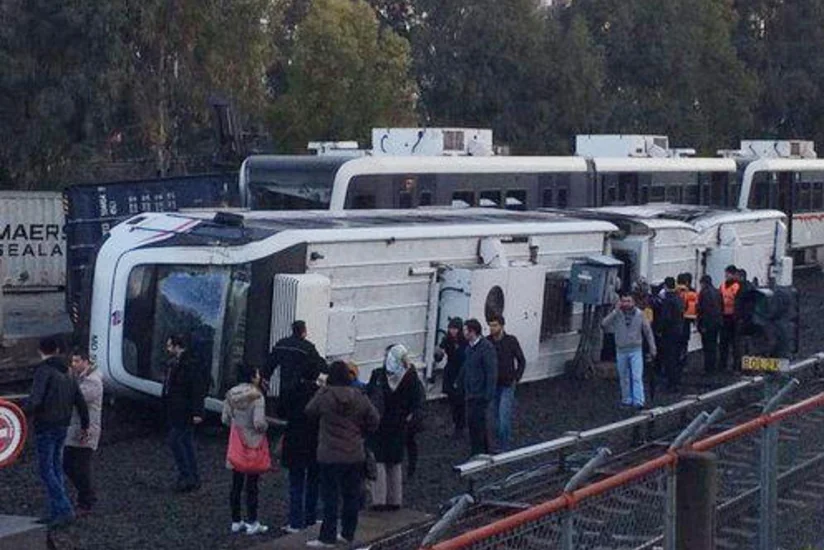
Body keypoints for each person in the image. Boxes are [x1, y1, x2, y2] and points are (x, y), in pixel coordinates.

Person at [305, 361, 380, 548]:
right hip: (354, 453)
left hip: (329, 454)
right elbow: (374, 419)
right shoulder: (359, 396)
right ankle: (348, 534)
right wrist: (362, 432)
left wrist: (321, 390)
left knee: (330, 497)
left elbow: (310, 411)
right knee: (351, 496)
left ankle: (327, 537)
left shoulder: (325, 395)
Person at [24, 336, 89, 527]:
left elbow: (35, 400)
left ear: (41, 351)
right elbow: (80, 401)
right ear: (58, 350)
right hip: (63, 425)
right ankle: (56, 512)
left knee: (46, 471)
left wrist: (18, 413)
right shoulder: (69, 372)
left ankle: (64, 508)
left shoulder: (44, 371)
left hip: (45, 426)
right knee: (56, 467)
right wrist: (85, 425)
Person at [367, 345, 425, 510]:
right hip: (395, 424)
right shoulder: (411, 377)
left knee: (381, 462)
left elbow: (370, 394)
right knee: (393, 462)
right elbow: (418, 402)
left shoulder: (378, 375)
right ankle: (393, 500)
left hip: (385, 424)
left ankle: (380, 501)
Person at [222, 364, 270, 535]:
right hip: (253, 443)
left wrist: (237, 425)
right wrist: (266, 427)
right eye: (256, 374)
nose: (258, 376)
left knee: (236, 483)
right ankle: (253, 521)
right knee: (252, 485)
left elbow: (225, 419)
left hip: (236, 442)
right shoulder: (257, 396)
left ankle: (236, 520)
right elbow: (258, 423)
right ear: (251, 377)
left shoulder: (231, 394)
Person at [277, 359, 320, 534]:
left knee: (296, 483)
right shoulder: (320, 393)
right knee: (313, 483)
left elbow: (281, 412)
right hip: (316, 441)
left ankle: (295, 522)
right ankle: (311, 518)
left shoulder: (291, 390)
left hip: (295, 439)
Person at [162, 333, 208, 493]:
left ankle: (187, 475)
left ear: (177, 346)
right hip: (181, 409)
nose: (167, 349)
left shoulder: (188, 365)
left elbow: (196, 389)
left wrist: (197, 411)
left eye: (169, 346)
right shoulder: (184, 363)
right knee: (186, 442)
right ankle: (191, 477)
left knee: (176, 441)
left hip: (183, 410)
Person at [63, 348, 103, 516]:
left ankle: (86, 500)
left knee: (80, 467)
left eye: (77, 361)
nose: (74, 365)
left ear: (86, 362)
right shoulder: (82, 378)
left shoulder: (92, 382)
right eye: (73, 361)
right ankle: (86, 497)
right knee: (71, 465)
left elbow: (76, 398)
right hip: (76, 429)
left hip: (85, 431)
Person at [601, 293, 657, 408]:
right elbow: (604, 324)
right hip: (621, 349)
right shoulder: (617, 314)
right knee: (624, 376)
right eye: (624, 301)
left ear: (633, 302)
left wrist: (652, 347)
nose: (626, 304)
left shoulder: (640, 314)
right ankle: (626, 400)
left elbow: (647, 331)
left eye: (628, 301)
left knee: (636, 376)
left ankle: (639, 401)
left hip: (635, 349)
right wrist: (615, 311)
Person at [487, 314, 525, 452]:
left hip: (508, 384)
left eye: (495, 325)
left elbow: (521, 360)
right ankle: (497, 443)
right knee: (495, 416)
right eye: (490, 325)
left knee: (504, 415)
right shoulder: (487, 342)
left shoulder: (511, 341)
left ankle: (504, 446)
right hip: (493, 385)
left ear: (502, 326)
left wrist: (516, 377)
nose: (492, 328)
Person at [459, 319, 497, 457]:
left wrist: (488, 394)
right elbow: (467, 367)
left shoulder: (486, 348)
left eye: (465, 330)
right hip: (471, 393)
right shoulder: (470, 348)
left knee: (477, 425)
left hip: (480, 394)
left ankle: (478, 453)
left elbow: (491, 372)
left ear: (472, 331)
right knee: (475, 424)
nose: (463, 333)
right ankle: (484, 451)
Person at [268, 320, 327, 397]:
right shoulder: (307, 348)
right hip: (302, 388)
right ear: (304, 331)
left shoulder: (281, 345)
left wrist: (266, 376)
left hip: (284, 386)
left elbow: (270, 363)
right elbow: (319, 364)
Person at [435, 317, 467, 439]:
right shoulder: (447, 339)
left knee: (460, 400)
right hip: (451, 370)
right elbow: (439, 355)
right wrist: (438, 353)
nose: (452, 331)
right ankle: (456, 424)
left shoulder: (464, 341)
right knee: (453, 400)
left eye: (455, 328)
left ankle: (461, 425)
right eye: (451, 328)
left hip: (461, 371)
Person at [654, 278, 685, 392]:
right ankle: (676, 381)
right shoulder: (679, 298)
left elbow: (665, 318)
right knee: (676, 357)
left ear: (666, 286)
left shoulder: (668, 300)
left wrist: (659, 329)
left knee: (669, 358)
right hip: (679, 330)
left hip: (669, 332)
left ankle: (670, 384)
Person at [697, 275, 723, 374]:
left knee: (707, 346)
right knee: (713, 345)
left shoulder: (703, 293)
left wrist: (701, 324)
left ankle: (708, 368)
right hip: (716, 322)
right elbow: (721, 307)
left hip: (707, 324)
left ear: (703, 283)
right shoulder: (717, 292)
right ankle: (713, 366)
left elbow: (702, 310)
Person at [719, 265, 741, 371]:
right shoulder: (722, 286)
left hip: (733, 317)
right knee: (723, 342)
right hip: (724, 316)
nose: (726, 276)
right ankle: (722, 365)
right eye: (726, 274)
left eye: (728, 274)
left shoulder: (736, 286)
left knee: (734, 343)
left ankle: (735, 366)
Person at [676, 273, 698, 370]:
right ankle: (683, 361)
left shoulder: (675, 291)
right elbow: (693, 309)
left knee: (676, 343)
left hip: (676, 322)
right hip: (686, 321)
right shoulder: (692, 293)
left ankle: (676, 361)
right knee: (684, 343)